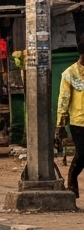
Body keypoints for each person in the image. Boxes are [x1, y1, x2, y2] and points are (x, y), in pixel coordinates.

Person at [55, 41, 84, 198]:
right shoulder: (70, 74)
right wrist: (60, 125)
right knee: (83, 154)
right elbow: (63, 100)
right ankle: (72, 178)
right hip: (78, 122)